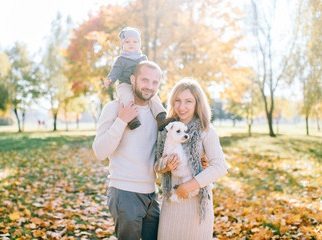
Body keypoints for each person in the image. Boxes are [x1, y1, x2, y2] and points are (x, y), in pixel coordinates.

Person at [93, 61, 164, 240]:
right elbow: (99, 152)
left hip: (151, 194)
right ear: (133, 79)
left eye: (155, 82)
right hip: (124, 192)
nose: (149, 86)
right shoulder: (114, 108)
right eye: (145, 80)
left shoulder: (157, 115)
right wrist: (122, 120)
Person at [155, 78, 228, 240]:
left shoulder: (206, 130)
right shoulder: (167, 130)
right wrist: (165, 167)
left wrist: (187, 186)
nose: (182, 107)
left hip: (196, 203)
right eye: (178, 101)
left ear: (197, 103)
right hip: (171, 201)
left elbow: (220, 167)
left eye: (188, 101)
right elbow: (156, 166)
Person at [104, 27, 172, 130]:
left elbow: (148, 70)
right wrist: (110, 79)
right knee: (127, 96)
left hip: (140, 84)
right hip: (125, 83)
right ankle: (132, 118)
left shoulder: (142, 58)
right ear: (122, 45)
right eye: (127, 42)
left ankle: (160, 115)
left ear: (139, 44)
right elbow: (115, 71)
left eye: (135, 42)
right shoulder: (121, 60)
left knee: (153, 96)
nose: (131, 44)